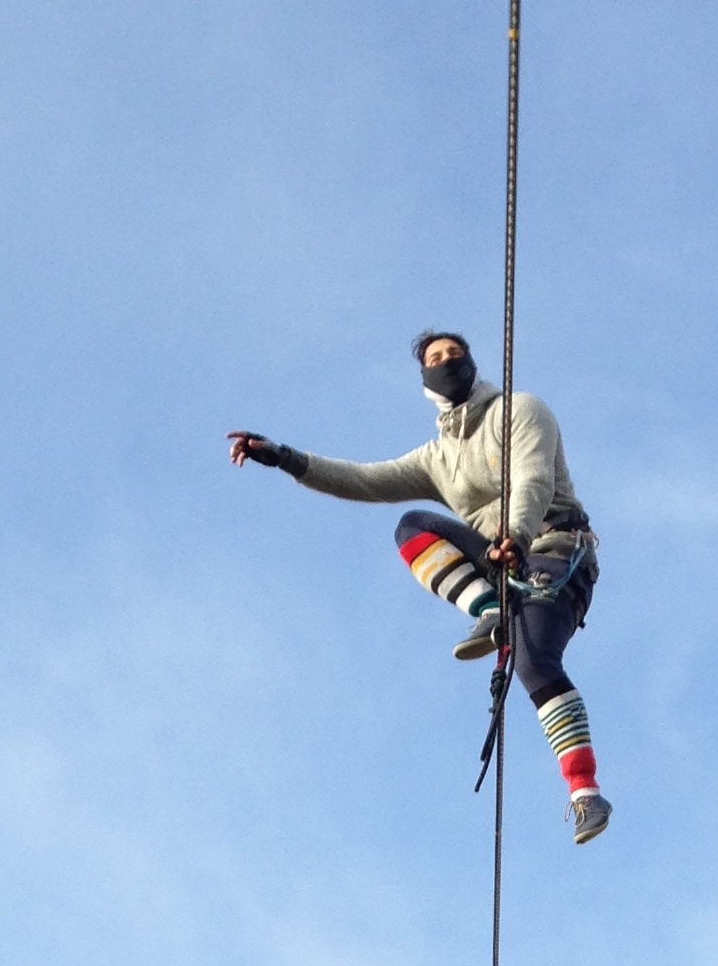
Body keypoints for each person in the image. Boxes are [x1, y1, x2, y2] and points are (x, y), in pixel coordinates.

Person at [228, 333, 611, 844]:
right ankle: (487, 608)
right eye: (434, 359)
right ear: (424, 380)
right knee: (412, 525)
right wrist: (284, 458)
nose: (446, 363)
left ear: (473, 363)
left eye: (455, 355)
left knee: (535, 663)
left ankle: (585, 793)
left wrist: (516, 537)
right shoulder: (437, 458)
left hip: (553, 547)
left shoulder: (520, 409)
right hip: (498, 562)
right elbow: (363, 479)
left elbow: (532, 480)